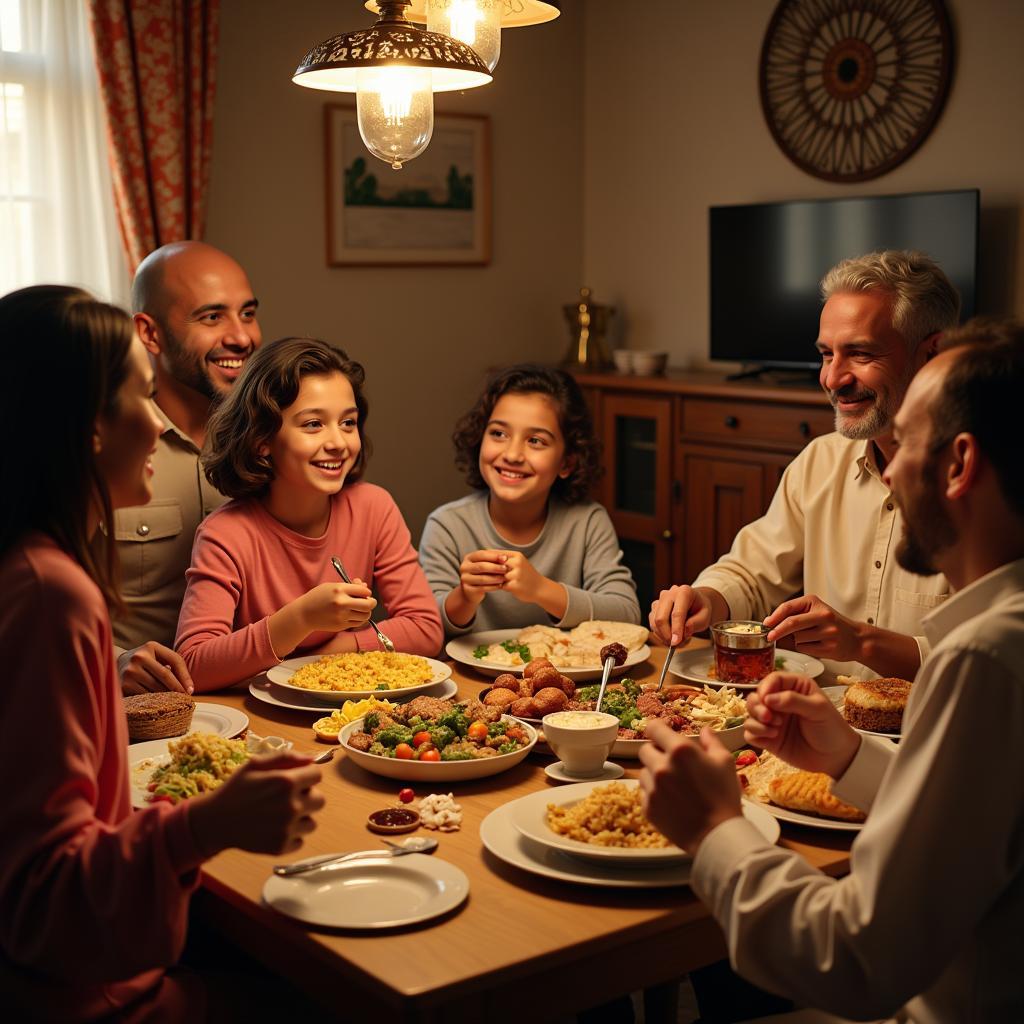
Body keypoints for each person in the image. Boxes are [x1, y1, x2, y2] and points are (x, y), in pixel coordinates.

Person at [638, 319, 1024, 1022]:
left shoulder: (984, 659)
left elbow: (855, 961)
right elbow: (977, 818)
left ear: (959, 463)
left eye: (904, 442)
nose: (888, 470)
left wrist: (715, 826)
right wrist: (849, 755)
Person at [0, 286, 323, 1021]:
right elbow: (42, 898)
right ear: (87, 428)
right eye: (141, 398)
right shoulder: (53, 593)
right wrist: (209, 823)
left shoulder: (30, 568)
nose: (156, 425)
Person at [650, 250, 961, 681]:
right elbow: (752, 572)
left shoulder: (987, 485)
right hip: (820, 727)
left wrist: (862, 643)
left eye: (860, 353)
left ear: (933, 353)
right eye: (826, 354)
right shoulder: (820, 460)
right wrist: (708, 598)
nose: (833, 378)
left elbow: (994, 658)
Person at [175, 336, 443, 692]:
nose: (338, 442)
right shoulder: (224, 533)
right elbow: (193, 664)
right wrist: (299, 619)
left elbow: (425, 628)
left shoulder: (374, 507)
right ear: (262, 440)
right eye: (313, 424)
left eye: (348, 423)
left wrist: (329, 655)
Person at [111, 241, 262, 696]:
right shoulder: (106, 451)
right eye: (212, 317)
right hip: (135, 712)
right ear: (150, 333)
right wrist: (112, 664)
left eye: (248, 313)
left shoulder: (278, 438)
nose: (242, 337)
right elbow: (37, 607)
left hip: (260, 701)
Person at [419, 364, 640, 636]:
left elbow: (627, 614)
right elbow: (425, 627)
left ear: (567, 462)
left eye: (535, 441)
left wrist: (540, 589)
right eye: (498, 433)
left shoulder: (586, 522)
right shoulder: (448, 526)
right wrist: (464, 597)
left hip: (565, 676)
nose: (512, 454)